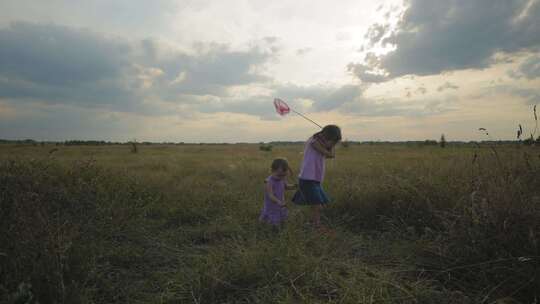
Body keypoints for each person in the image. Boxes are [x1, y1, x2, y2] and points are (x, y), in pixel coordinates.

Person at [293, 125, 341, 228]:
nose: (332, 143)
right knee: (317, 204)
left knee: (318, 204)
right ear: (326, 136)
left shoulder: (320, 142)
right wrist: (331, 145)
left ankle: (311, 222)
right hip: (308, 177)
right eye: (331, 140)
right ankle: (316, 225)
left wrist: (331, 145)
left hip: (314, 178)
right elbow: (329, 154)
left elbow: (331, 155)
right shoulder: (314, 142)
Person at [259, 158, 297, 227]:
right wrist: (277, 201)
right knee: (273, 218)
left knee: (281, 215)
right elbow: (270, 195)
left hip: (280, 202)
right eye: (279, 175)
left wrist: (294, 186)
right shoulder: (269, 182)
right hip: (272, 204)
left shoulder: (282, 179)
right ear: (272, 171)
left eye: (284, 175)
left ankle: (279, 224)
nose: (281, 177)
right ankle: (271, 227)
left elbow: (286, 186)